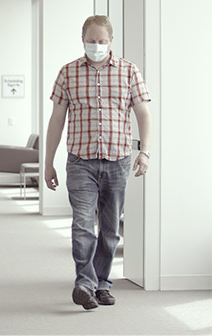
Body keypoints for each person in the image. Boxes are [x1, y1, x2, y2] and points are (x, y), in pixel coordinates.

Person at [44, 15, 152, 310]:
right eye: (91, 41)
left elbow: (143, 113)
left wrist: (145, 151)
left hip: (118, 160)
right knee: (82, 224)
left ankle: (102, 284)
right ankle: (85, 283)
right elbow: (56, 120)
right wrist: (48, 161)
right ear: (83, 40)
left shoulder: (129, 71)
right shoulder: (68, 73)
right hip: (80, 160)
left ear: (111, 41)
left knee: (109, 229)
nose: (96, 46)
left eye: (102, 41)